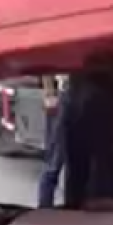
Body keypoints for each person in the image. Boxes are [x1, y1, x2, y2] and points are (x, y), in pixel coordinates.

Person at [62, 64, 113, 209]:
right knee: (105, 159)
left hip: (77, 92)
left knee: (78, 161)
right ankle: (101, 205)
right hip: (104, 90)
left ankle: (75, 206)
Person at [37, 75, 65, 207]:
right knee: (53, 162)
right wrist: (49, 93)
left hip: (77, 90)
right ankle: (44, 209)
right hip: (62, 95)